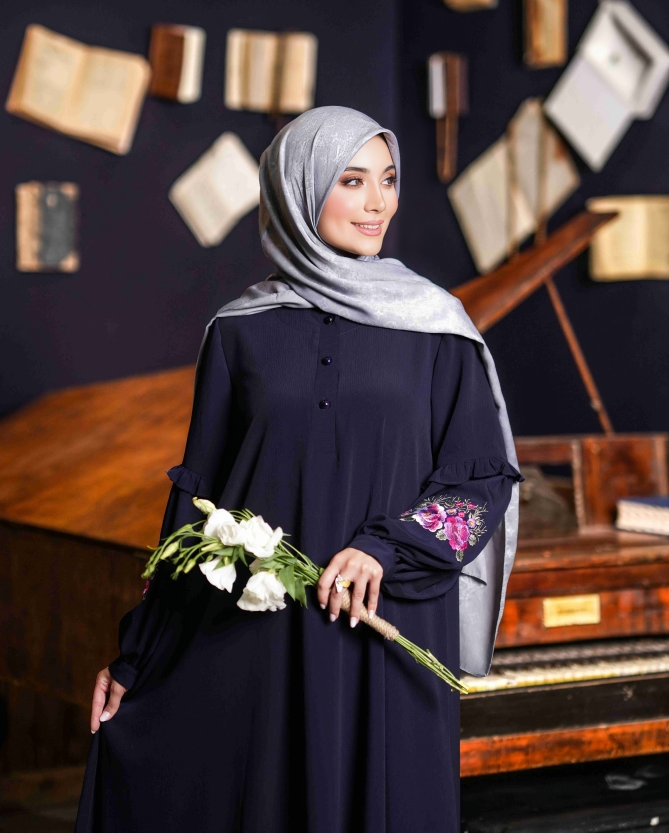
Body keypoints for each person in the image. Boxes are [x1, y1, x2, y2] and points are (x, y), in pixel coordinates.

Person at [75, 106, 523, 833]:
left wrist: (384, 549)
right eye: (352, 181)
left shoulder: (437, 326)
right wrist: (135, 657)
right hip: (259, 633)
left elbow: (481, 482)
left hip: (384, 622)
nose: (378, 203)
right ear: (298, 188)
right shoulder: (238, 330)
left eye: (388, 179)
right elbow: (197, 503)